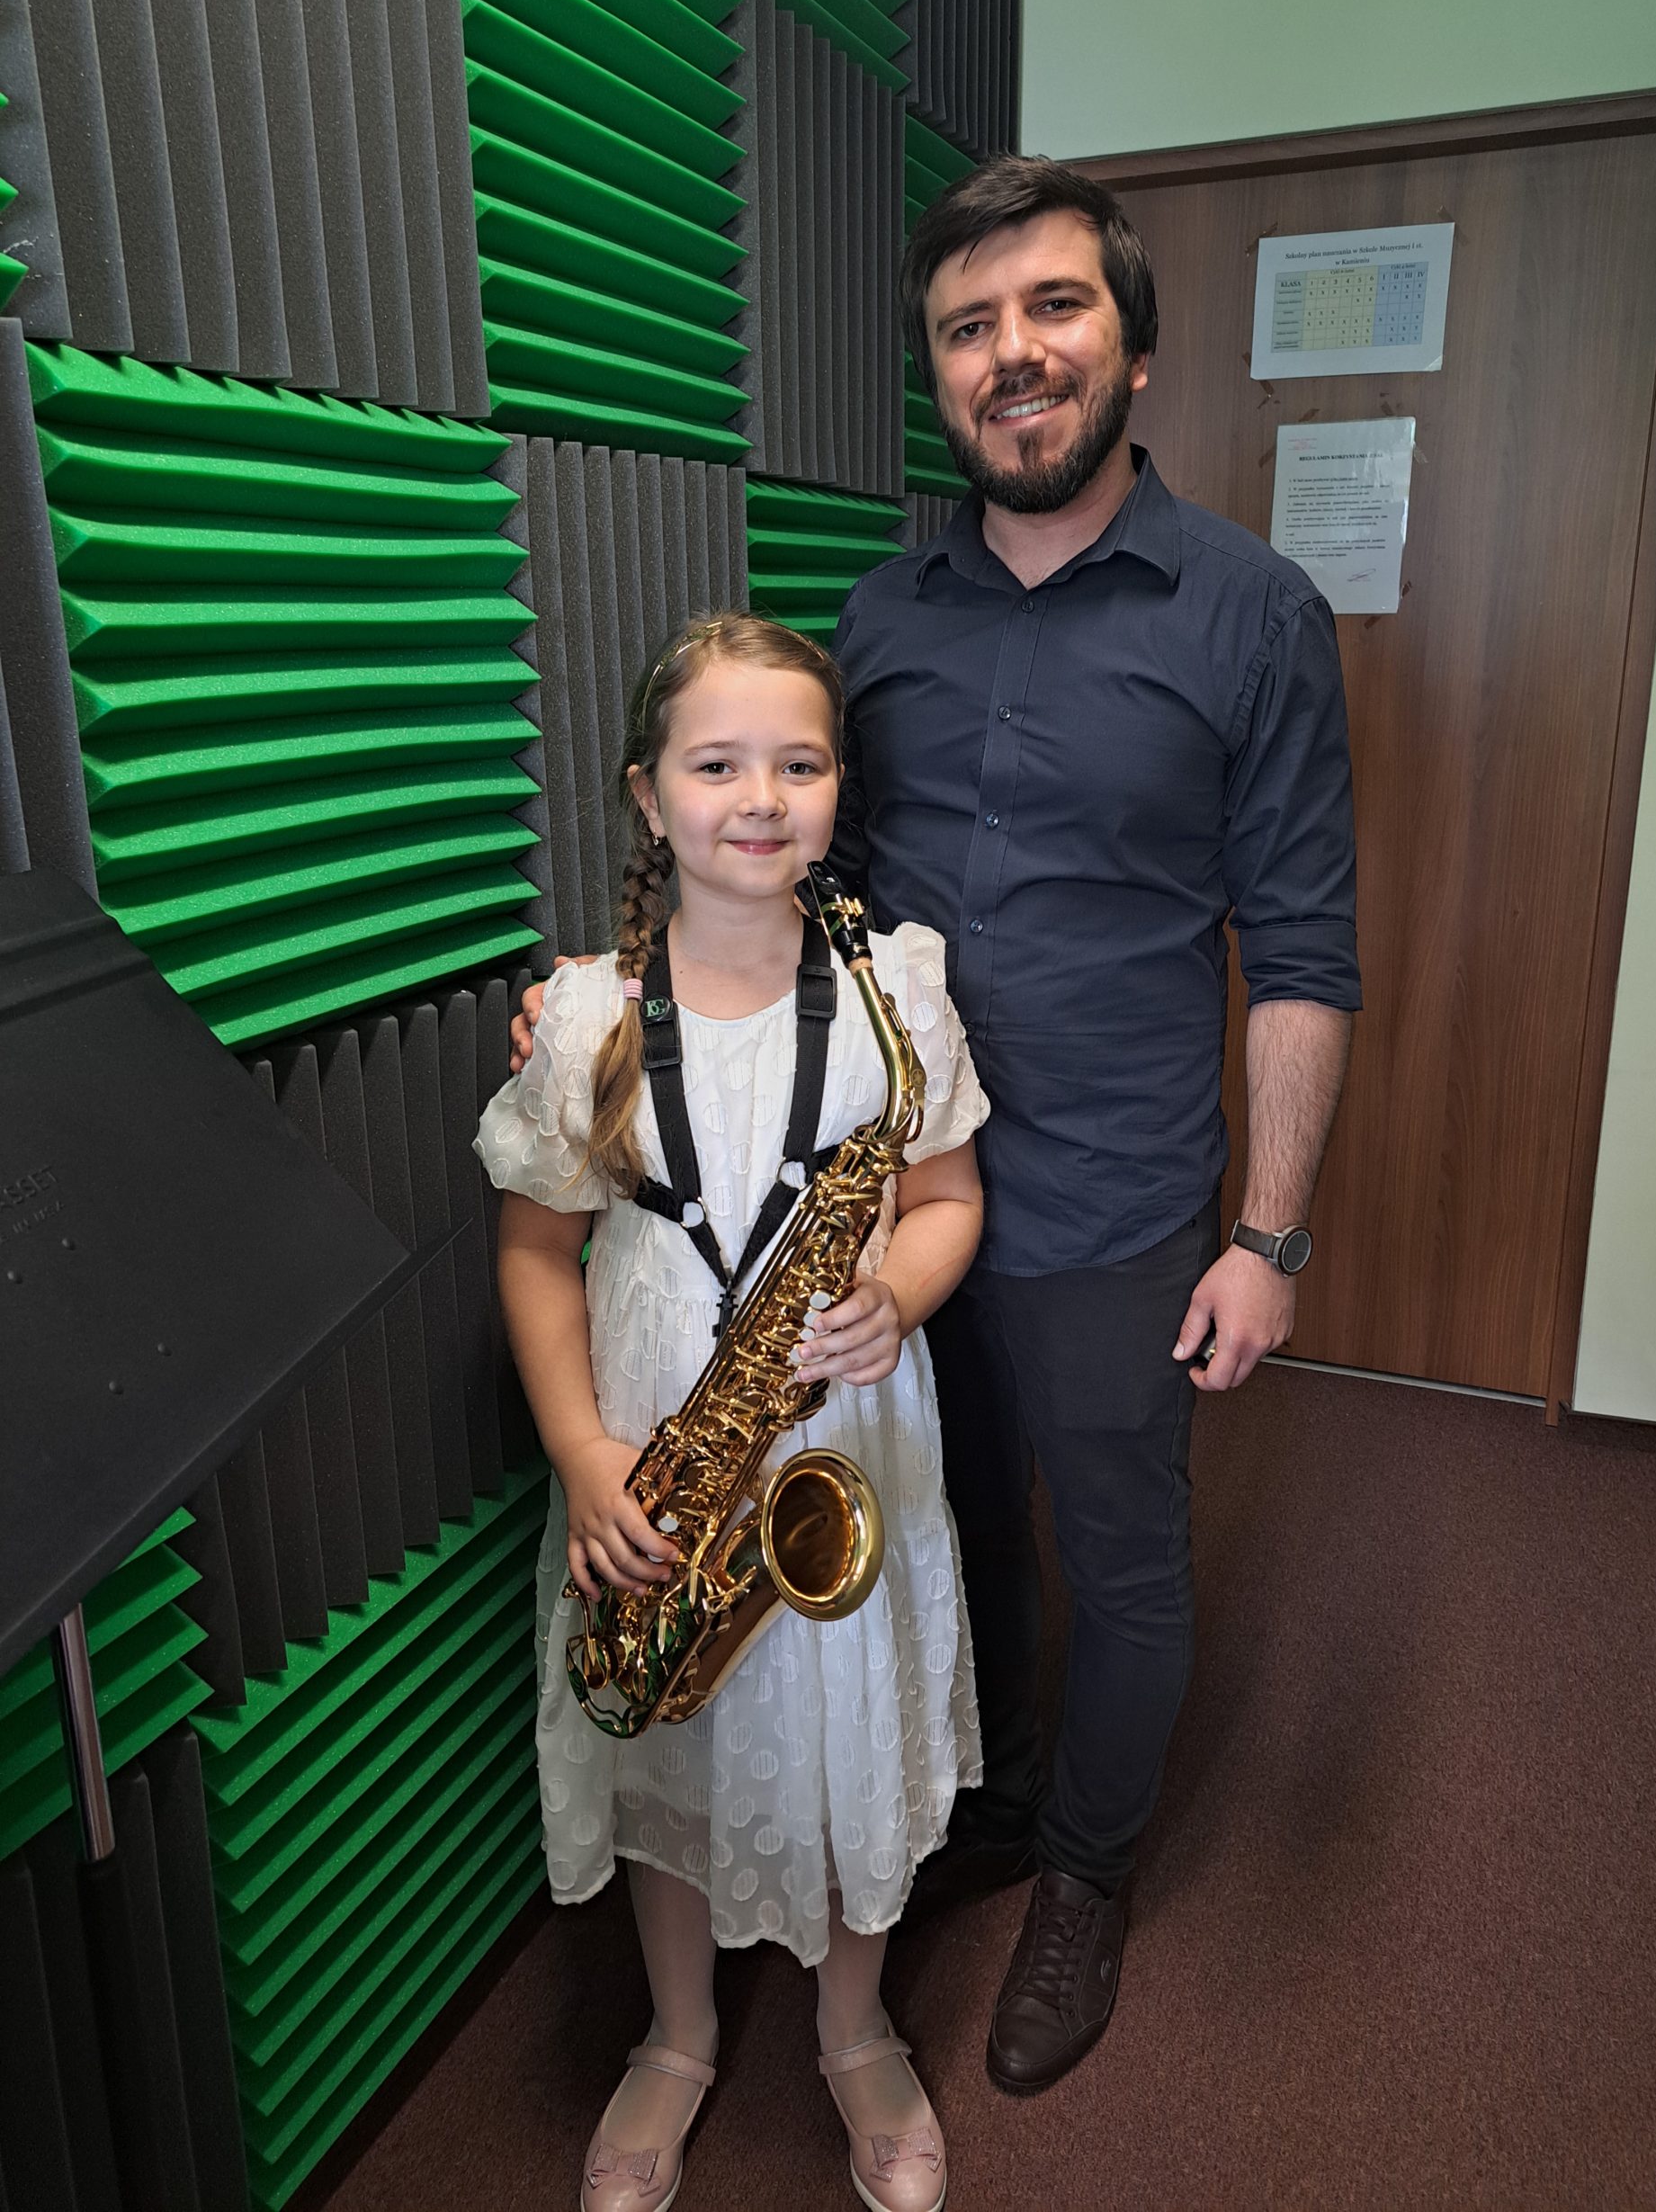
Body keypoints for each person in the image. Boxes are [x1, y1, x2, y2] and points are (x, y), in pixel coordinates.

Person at [515, 155, 1360, 2098]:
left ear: (1134, 347)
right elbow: (784, 874)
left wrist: (1270, 1233)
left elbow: (1306, 948)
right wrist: (605, 995)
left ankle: (1086, 1875)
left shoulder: (1256, 614)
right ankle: (991, 1790)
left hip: (1121, 1196)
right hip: (885, 1198)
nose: (1013, 353)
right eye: (970, 326)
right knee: (945, 1520)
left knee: (1122, 1555)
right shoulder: (878, 617)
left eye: (1054, 307)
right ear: (941, 373)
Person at [475, 611, 988, 2212]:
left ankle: (854, 2028)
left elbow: (948, 1198)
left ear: (838, 788)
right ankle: (680, 2034)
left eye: (799, 764)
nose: (760, 798)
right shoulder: (584, 1016)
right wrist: (580, 1451)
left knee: (852, 1727)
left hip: (841, 1439)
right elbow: (535, 1249)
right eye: (716, 765)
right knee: (664, 1729)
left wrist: (899, 1294)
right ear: (648, 795)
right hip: (650, 1432)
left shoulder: (898, 990)